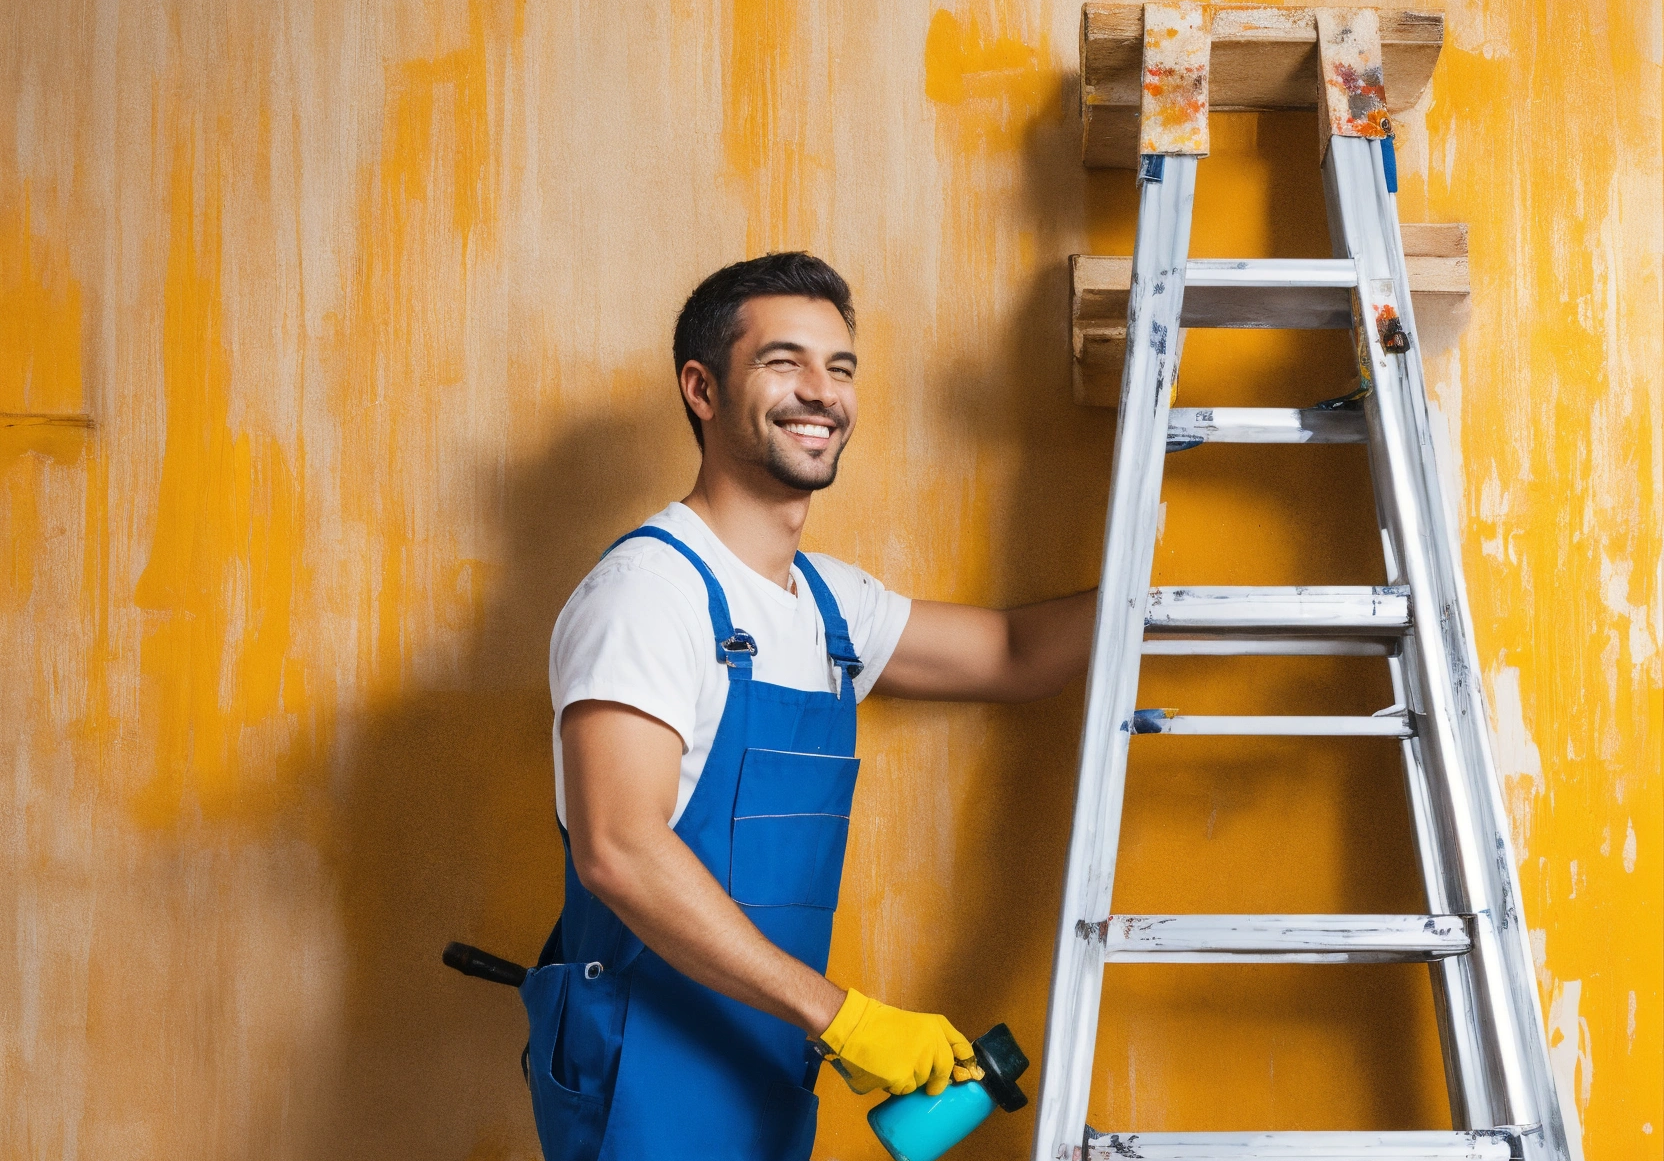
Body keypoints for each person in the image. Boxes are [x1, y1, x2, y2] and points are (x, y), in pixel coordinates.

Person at [527, 252, 1094, 1160]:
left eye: (840, 368)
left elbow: (1018, 655)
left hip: (766, 1069)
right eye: (783, 362)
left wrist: (1163, 589)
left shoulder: (830, 607)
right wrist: (847, 1019)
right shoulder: (648, 593)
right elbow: (617, 847)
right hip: (645, 1079)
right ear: (702, 388)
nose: (820, 393)